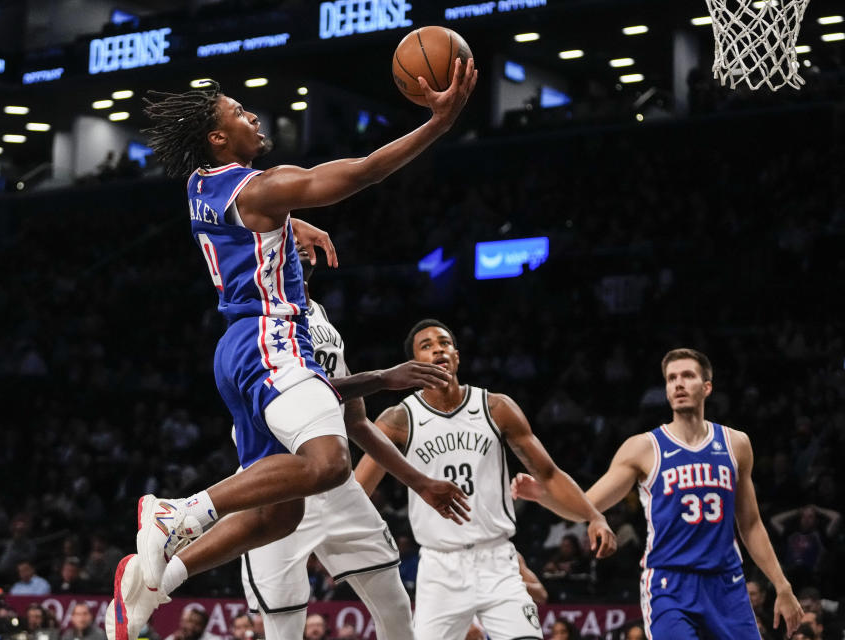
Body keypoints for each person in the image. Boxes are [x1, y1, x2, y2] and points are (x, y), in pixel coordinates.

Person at [108, 57, 477, 640]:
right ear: (217, 136)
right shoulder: (262, 186)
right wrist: (439, 122)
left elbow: (249, 218)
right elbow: (358, 173)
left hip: (238, 351)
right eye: (238, 112)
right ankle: (177, 512)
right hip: (267, 337)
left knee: (281, 514)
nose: (251, 115)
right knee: (329, 465)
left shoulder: (200, 184)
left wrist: (288, 222)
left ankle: (160, 578)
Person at [239, 244, 466, 640]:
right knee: (285, 625)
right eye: (288, 241)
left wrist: (421, 482)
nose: (300, 249)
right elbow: (296, 390)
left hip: (335, 480)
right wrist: (381, 377)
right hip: (280, 478)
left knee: (395, 604)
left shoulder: (319, 314)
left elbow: (356, 420)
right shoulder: (257, 316)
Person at [355, 319, 617, 640]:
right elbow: (359, 489)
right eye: (427, 345)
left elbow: (548, 473)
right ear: (414, 365)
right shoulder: (399, 419)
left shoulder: (496, 408)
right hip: (440, 567)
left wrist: (592, 515)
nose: (438, 348)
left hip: (497, 561)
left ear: (457, 356)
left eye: (445, 342)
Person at [517, 348, 804, 639]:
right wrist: (544, 496)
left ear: (707, 387)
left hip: (726, 582)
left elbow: (751, 524)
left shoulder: (736, 444)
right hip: (670, 584)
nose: (678, 384)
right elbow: (587, 506)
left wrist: (782, 585)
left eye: (688, 376)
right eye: (671, 378)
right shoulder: (643, 447)